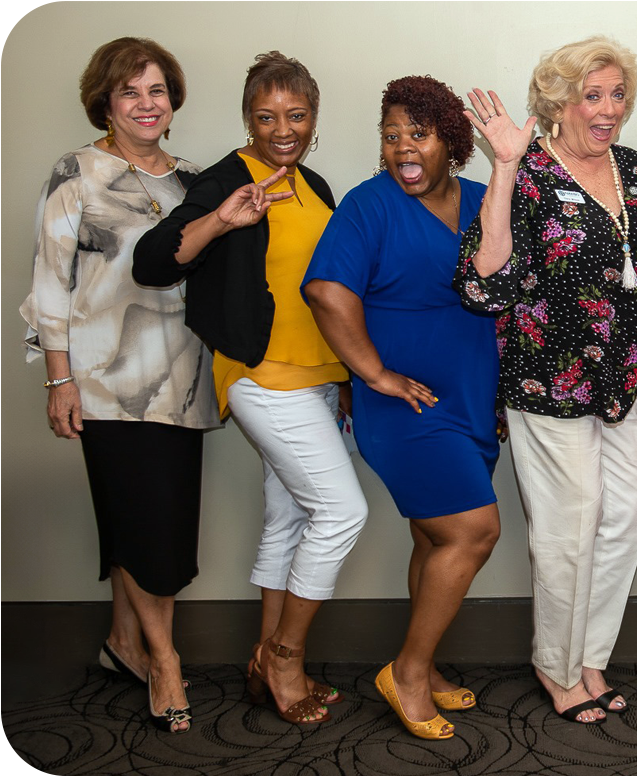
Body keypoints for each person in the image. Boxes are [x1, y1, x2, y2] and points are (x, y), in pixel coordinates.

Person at [134, 52, 367, 726]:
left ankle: (261, 659)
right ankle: (286, 657)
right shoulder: (227, 180)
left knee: (292, 516)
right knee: (341, 511)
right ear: (248, 118)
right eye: (266, 117)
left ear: (313, 118)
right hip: (263, 377)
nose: (281, 128)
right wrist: (222, 221)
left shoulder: (315, 183)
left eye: (295, 115)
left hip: (320, 377)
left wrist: (349, 373)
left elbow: (333, 290)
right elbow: (153, 261)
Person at [454, 36, 637, 725]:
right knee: (568, 531)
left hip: (621, 379)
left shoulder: (634, 168)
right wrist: (504, 167)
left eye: (616, 94)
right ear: (558, 102)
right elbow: (482, 285)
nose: (607, 108)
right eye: (592, 94)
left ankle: (590, 656)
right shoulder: (528, 172)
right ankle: (556, 667)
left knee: (623, 521)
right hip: (548, 383)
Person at [19, 37, 218, 734]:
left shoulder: (195, 181)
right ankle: (164, 662)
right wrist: (59, 378)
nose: (146, 104)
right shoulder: (76, 171)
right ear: (105, 101)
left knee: (149, 522)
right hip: (103, 383)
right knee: (144, 524)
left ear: (173, 100)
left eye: (156, 90)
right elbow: (51, 283)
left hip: (185, 377)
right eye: (130, 92)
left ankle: (124, 643)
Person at [303, 75, 500, 741]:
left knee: (432, 535)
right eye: (390, 137)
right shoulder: (368, 206)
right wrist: (375, 374)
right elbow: (328, 292)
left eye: (417, 134)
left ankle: (428, 663)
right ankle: (408, 672)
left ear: (452, 141)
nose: (401, 148)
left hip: (472, 399)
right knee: (472, 530)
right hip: (408, 411)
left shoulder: (480, 200)